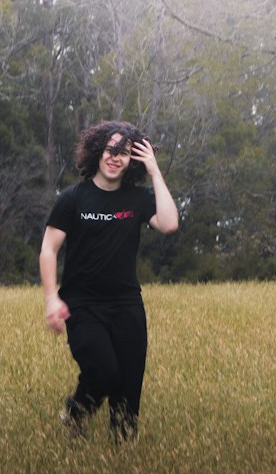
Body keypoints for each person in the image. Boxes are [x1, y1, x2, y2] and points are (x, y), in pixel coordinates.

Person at [40, 121, 179, 441]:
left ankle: (122, 458)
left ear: (134, 159)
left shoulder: (139, 199)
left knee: (128, 388)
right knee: (103, 372)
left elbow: (169, 224)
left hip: (127, 306)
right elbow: (48, 249)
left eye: (125, 153)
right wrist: (52, 298)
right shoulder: (73, 198)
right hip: (82, 305)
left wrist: (155, 172)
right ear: (97, 151)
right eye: (111, 150)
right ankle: (76, 414)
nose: (116, 158)